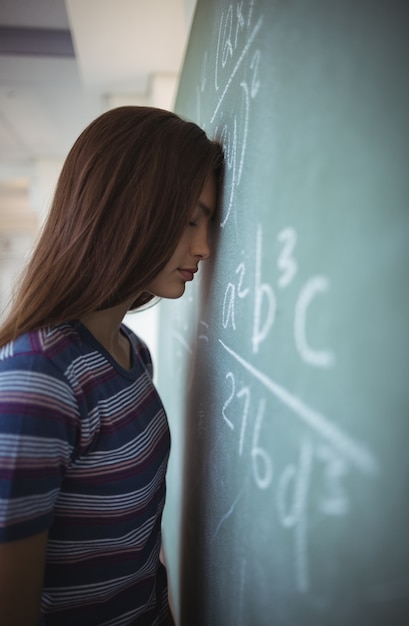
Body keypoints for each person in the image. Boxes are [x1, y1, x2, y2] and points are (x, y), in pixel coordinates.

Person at [0, 106, 223, 625]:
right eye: (189, 220)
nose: (205, 247)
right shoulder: (39, 381)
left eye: (209, 222)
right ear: (127, 211)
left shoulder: (128, 351)